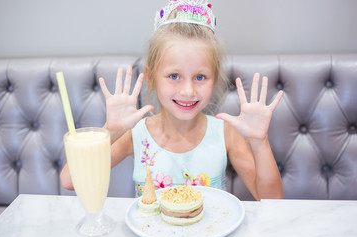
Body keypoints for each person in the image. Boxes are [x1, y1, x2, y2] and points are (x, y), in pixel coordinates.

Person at [60, 0, 284, 200]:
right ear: (152, 77)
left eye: (200, 77)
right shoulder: (135, 135)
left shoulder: (225, 133)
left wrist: (259, 142)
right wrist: (111, 130)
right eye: (174, 76)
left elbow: (273, 200)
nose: (188, 90)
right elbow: (70, 181)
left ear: (214, 79)